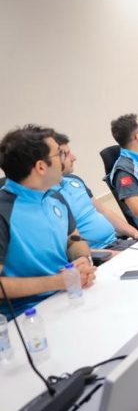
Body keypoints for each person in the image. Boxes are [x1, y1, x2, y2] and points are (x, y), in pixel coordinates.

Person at [0, 125, 96, 316]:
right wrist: (58, 282)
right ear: (41, 167)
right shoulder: (4, 211)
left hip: (70, 295)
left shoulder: (55, 197)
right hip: (27, 314)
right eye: (59, 154)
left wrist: (82, 259)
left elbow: (73, 240)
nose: (65, 159)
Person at [54, 133, 138, 252]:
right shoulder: (48, 198)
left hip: (116, 243)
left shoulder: (74, 180)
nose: (74, 157)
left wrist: (135, 233)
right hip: (98, 254)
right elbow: (67, 249)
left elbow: (104, 211)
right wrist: (110, 254)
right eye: (66, 155)